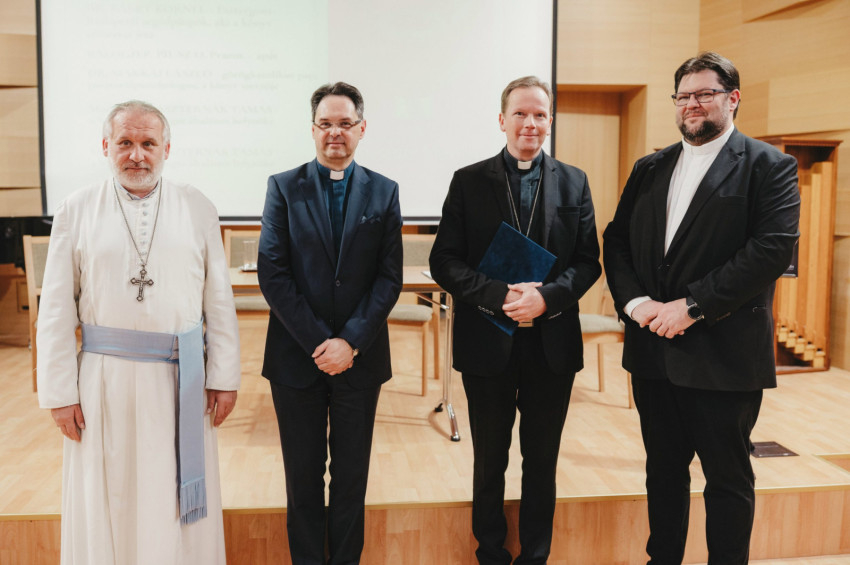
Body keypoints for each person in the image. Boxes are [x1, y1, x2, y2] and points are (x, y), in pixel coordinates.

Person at [603, 52, 801, 564]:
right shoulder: (649, 167)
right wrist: (636, 303)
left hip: (723, 353)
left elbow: (771, 250)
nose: (691, 104)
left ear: (732, 99)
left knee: (727, 480)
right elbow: (617, 240)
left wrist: (692, 306)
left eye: (704, 94)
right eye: (683, 96)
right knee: (662, 473)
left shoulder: (768, 166)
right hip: (653, 352)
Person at [37, 100, 241, 564]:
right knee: (108, 493)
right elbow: (55, 309)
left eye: (148, 143)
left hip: (180, 382)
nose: (137, 155)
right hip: (102, 381)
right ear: (105, 146)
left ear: (166, 148)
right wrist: (60, 393)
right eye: (125, 143)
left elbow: (218, 301)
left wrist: (223, 376)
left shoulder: (197, 206)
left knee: (171, 497)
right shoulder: (76, 209)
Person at [429, 76, 601, 565]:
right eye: (521, 113)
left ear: (550, 122)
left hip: (551, 343)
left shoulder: (574, 181)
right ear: (502, 120)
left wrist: (546, 298)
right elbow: (445, 261)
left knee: (542, 462)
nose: (530, 123)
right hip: (489, 340)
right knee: (489, 462)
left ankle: (535, 556)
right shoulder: (468, 181)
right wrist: (499, 295)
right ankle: (490, 552)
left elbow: (588, 262)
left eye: (540, 114)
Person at [258, 82, 402, 565]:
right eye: (326, 123)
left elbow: (389, 277)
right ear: (313, 129)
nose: (335, 132)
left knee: (350, 480)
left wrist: (351, 342)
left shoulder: (384, 191)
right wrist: (323, 342)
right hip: (296, 359)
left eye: (345, 123)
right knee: (302, 480)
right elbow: (273, 274)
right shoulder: (284, 187)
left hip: (360, 361)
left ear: (362, 128)